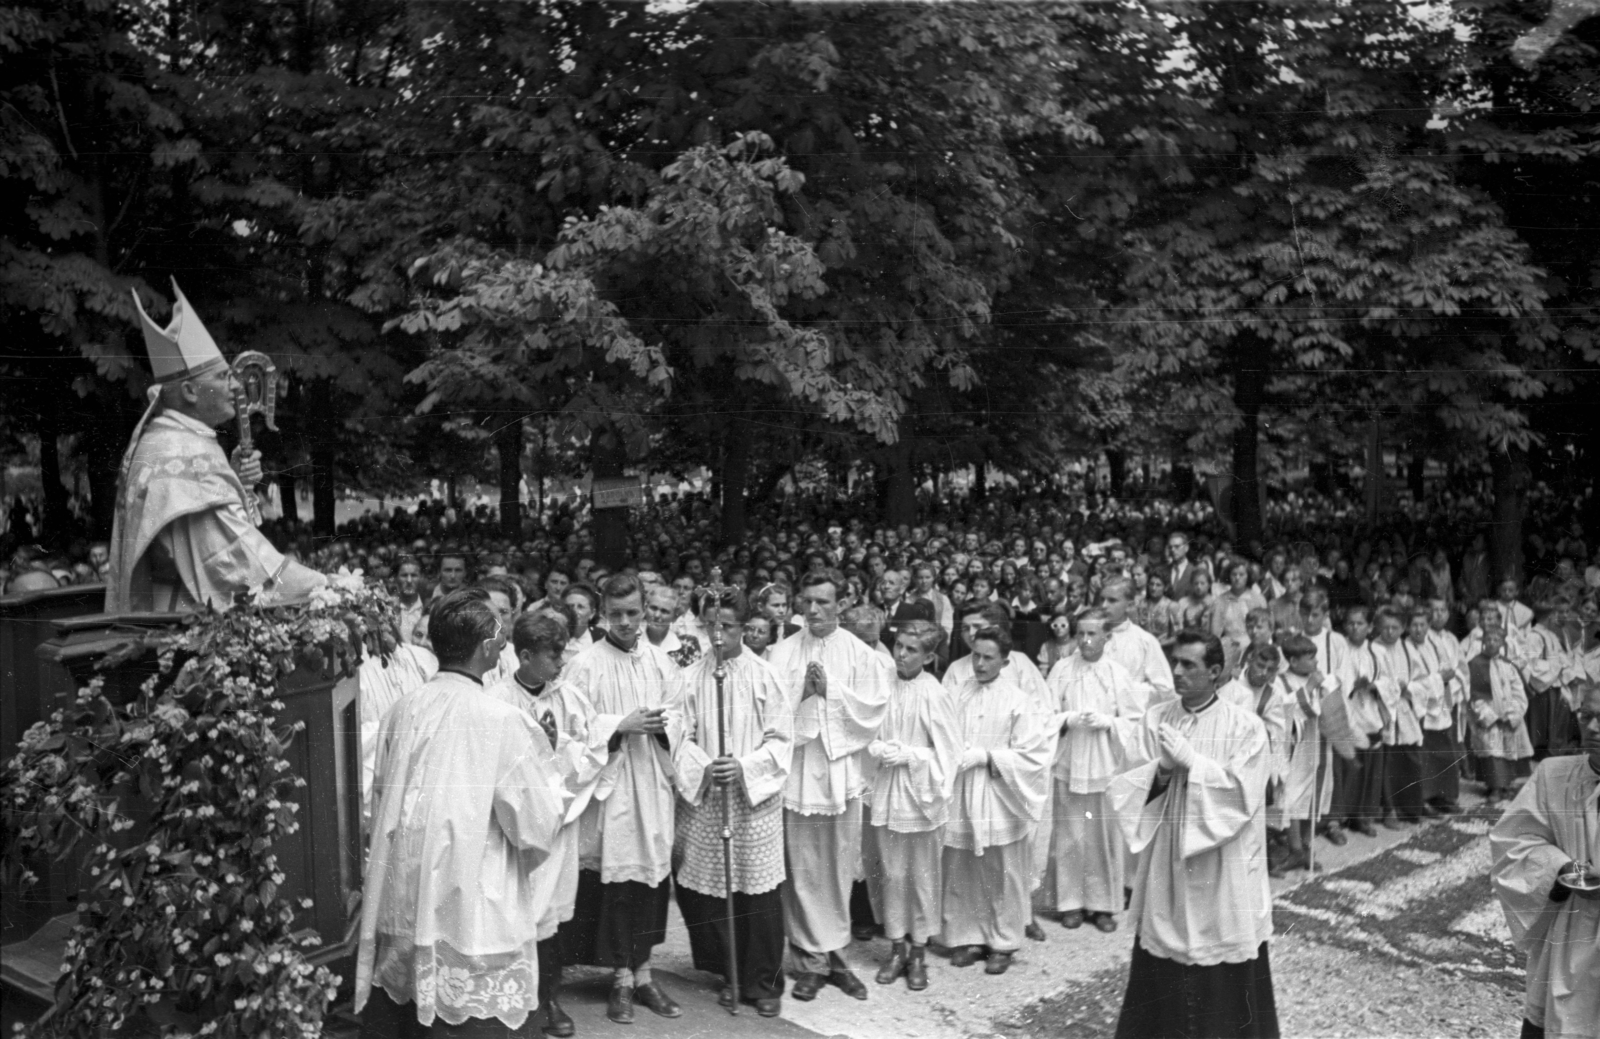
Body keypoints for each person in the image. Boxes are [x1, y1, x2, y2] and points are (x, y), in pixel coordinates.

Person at [355, 590, 566, 1037]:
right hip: (472, 895)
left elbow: (379, 800)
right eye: (500, 636)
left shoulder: (402, 709)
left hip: (405, 890)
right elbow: (535, 825)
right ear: (489, 647)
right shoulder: (502, 719)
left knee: (413, 1003)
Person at [111, 282, 325, 611]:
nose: (237, 386)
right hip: (184, 620)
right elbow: (233, 561)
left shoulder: (176, 439)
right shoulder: (176, 452)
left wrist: (239, 484)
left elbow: (210, 537)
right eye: (224, 377)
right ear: (190, 392)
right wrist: (325, 586)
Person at [1108, 630, 1279, 1039]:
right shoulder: (1156, 717)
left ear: (1216, 672)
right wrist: (1163, 771)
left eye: (1189, 665)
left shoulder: (1245, 727)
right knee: (1164, 952)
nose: (1178, 673)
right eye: (1176, 663)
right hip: (1170, 857)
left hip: (1221, 864)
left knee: (1220, 955)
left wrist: (1193, 764)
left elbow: (1243, 796)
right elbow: (1128, 784)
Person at [557, 574, 685, 1024]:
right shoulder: (585, 664)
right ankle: (621, 978)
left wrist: (665, 724)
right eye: (617, 615)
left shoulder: (662, 662)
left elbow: (682, 715)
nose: (627, 623)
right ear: (601, 613)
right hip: (610, 786)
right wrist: (617, 725)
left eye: (634, 613)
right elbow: (573, 731)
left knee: (651, 879)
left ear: (645, 607)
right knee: (617, 884)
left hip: (651, 778)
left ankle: (645, 973)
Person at [669, 588, 794, 1018]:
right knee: (710, 891)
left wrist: (744, 766)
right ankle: (731, 974)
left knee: (757, 892)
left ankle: (764, 981)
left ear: (745, 627)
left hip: (751, 799)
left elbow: (782, 739)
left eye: (728, 627)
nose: (718, 636)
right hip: (707, 797)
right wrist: (703, 765)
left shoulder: (764, 676)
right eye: (711, 626)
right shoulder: (688, 677)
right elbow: (676, 736)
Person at [768, 567, 889, 1002]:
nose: (814, 609)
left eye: (823, 601)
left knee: (838, 867)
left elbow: (873, 712)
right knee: (801, 868)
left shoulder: (860, 654)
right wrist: (802, 693)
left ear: (841, 604)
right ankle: (809, 962)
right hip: (800, 770)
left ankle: (837, 957)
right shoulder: (781, 653)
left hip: (840, 773)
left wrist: (831, 690)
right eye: (807, 601)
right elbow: (768, 710)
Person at [488, 613, 612, 1038]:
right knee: (517, 914)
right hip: (515, 830)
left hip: (559, 824)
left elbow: (593, 745)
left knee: (551, 920)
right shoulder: (498, 698)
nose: (562, 663)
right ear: (524, 655)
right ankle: (517, 1000)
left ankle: (549, 997)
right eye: (553, 655)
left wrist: (563, 764)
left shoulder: (569, 697)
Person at [1489, 680, 1599, 1039]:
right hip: (1568, 929)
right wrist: (1562, 868)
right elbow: (1514, 842)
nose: (1594, 728)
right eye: (1587, 716)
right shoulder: (1555, 774)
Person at [941, 625, 1051, 975]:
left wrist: (988, 757)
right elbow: (943, 734)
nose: (980, 663)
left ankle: (1003, 940)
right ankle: (966, 935)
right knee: (961, 865)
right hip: (962, 789)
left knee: (1002, 868)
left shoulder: (1018, 700)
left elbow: (1033, 754)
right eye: (975, 655)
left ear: (1005, 661)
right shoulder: (957, 693)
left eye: (989, 658)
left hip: (999, 793)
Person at [864, 620, 960, 991]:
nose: (901, 654)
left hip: (921, 797)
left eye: (912, 650)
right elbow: (867, 730)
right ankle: (895, 948)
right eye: (899, 646)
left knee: (921, 877)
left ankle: (918, 952)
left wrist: (910, 756)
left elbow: (949, 753)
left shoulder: (935, 694)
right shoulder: (883, 683)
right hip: (888, 790)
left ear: (930, 656)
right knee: (892, 873)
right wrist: (878, 748)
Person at [1045, 608, 1144, 932]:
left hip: (1104, 763)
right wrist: (1066, 720)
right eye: (1081, 634)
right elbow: (1044, 713)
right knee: (1071, 835)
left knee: (1103, 836)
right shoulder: (1061, 669)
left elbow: (1135, 720)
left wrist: (1109, 722)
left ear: (1106, 637)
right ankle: (1070, 902)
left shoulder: (1117, 673)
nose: (1086, 641)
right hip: (1070, 761)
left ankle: (1104, 904)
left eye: (1092, 634)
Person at [1465, 625, 1534, 806]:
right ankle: (1495, 786)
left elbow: (1518, 691)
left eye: (1496, 640)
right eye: (1488, 640)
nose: (1492, 643)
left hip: (1508, 714)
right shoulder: (1475, 664)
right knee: (1492, 750)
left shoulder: (1508, 664)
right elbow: (1474, 694)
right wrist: (1490, 715)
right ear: (1483, 642)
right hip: (1490, 716)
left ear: (1503, 643)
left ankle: (1505, 785)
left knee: (1508, 750)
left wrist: (1513, 712)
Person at [1097, 577, 1176, 706]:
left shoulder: (1145, 641)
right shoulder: (1089, 635)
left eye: (1112, 600)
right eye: (1102, 599)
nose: (1104, 606)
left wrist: (1125, 689)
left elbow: (1165, 690)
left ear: (1129, 605)